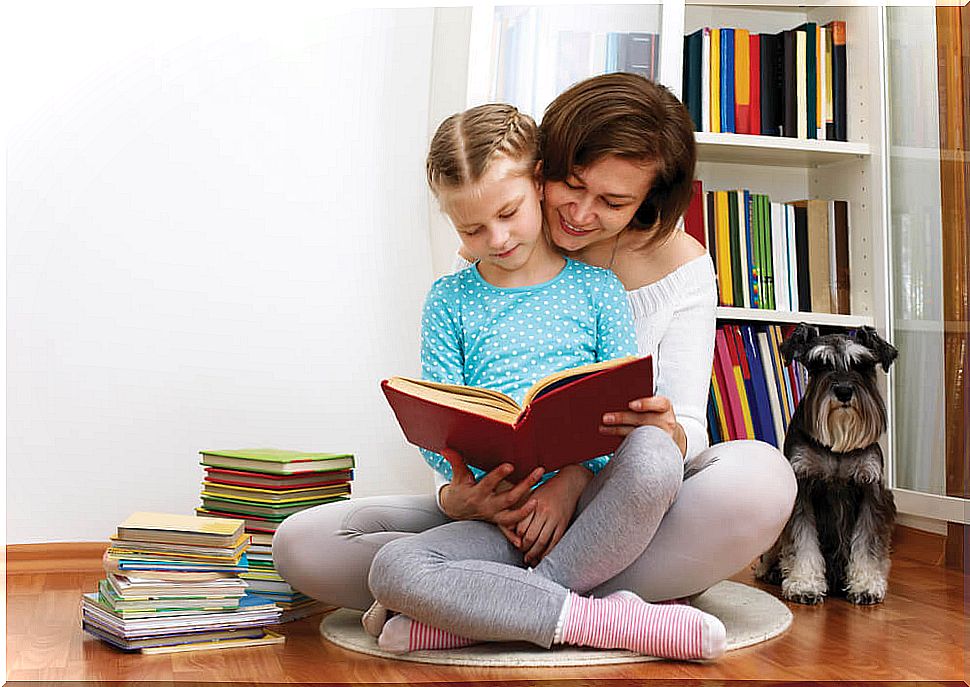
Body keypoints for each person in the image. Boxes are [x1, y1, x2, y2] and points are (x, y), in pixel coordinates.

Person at [273, 73, 795, 658]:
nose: (580, 212)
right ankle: (604, 613)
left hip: (607, 498)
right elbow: (453, 416)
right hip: (497, 510)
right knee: (310, 545)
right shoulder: (487, 252)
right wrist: (461, 499)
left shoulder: (609, 286)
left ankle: (471, 613)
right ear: (542, 169)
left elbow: (675, 436)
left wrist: (607, 463)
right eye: (572, 186)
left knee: (745, 475)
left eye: (613, 202)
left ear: (647, 201)